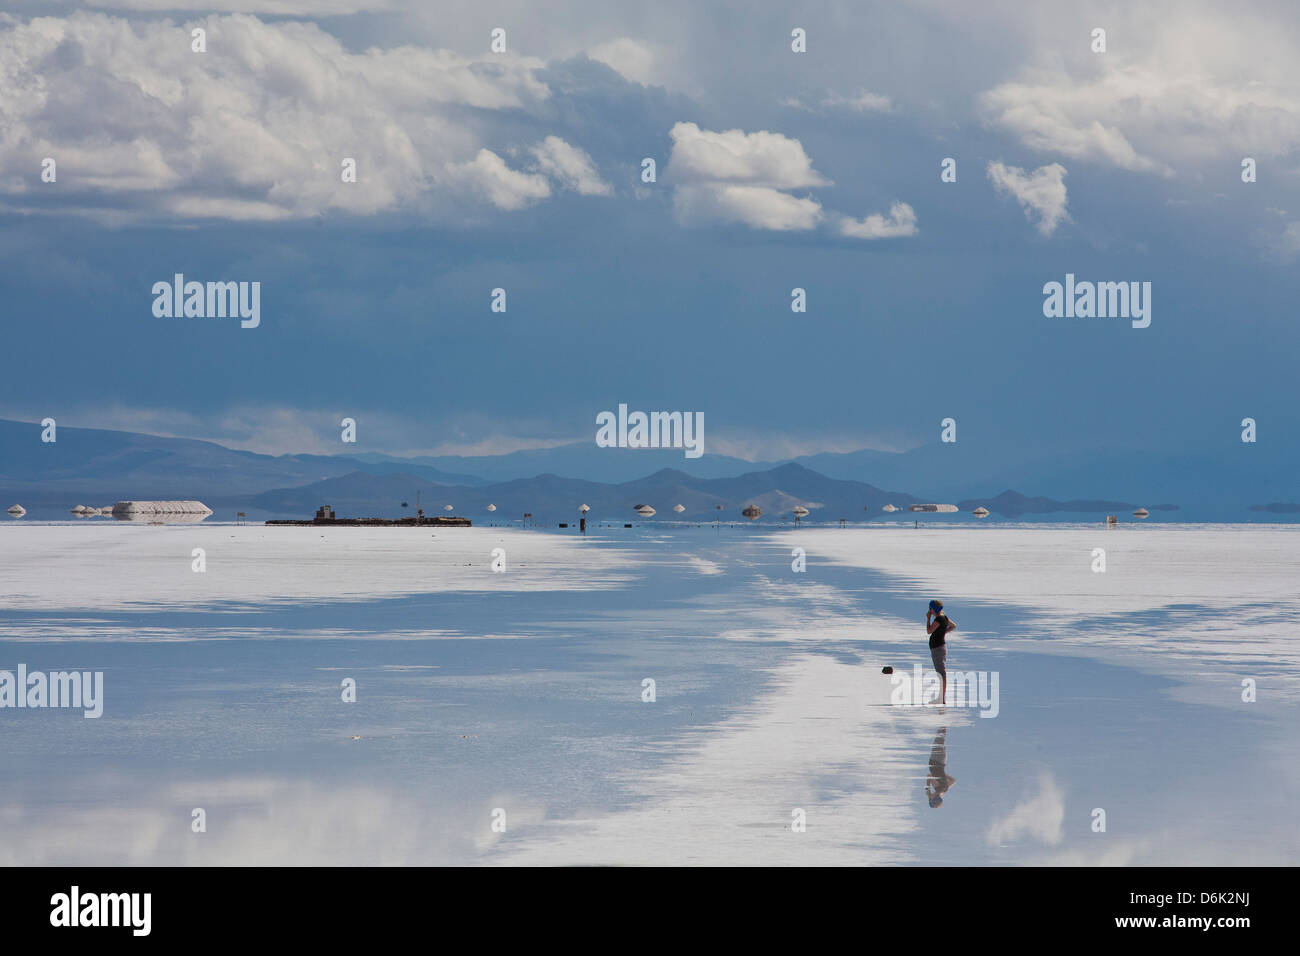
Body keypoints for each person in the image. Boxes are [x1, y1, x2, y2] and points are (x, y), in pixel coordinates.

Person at [925, 599, 955, 705]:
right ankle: (941, 697)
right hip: (939, 647)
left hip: (938, 648)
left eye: (931, 609)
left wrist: (928, 619)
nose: (930, 611)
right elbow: (953, 626)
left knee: (941, 673)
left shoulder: (938, 619)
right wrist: (943, 632)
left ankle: (941, 698)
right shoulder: (944, 617)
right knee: (941, 673)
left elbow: (929, 631)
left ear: (934, 609)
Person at [926, 727, 956, 808]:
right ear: (933, 799)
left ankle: (943, 718)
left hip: (942, 761)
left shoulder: (944, 790)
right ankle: (943, 716)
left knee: (941, 738)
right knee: (940, 736)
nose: (929, 798)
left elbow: (953, 781)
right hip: (936, 760)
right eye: (930, 799)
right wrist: (927, 789)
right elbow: (929, 776)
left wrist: (943, 773)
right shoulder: (938, 789)